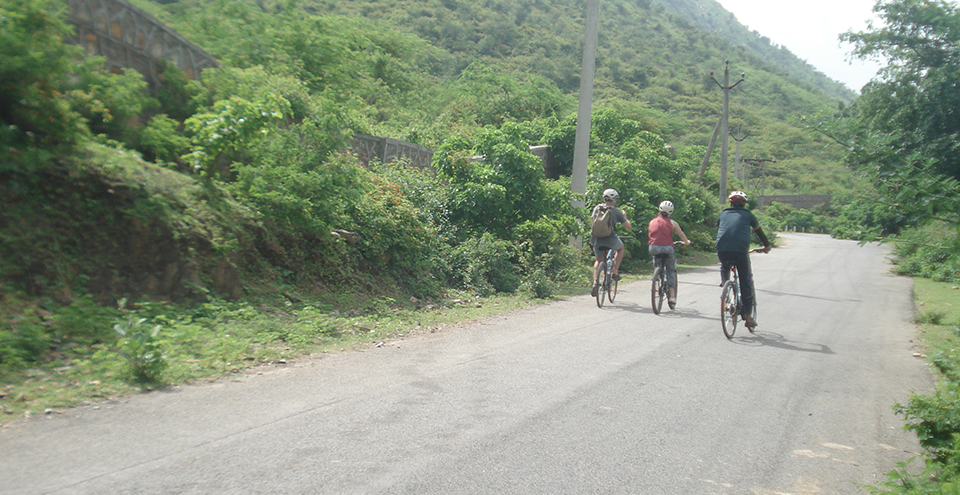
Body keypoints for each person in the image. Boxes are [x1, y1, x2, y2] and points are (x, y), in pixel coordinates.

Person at [715, 191, 771, 328]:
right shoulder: (748, 215)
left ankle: (725, 286)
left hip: (722, 250)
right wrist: (767, 245)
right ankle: (748, 316)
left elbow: (721, 228)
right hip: (740, 251)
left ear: (730, 202)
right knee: (745, 281)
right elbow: (759, 232)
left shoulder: (723, 213)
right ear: (744, 204)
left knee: (724, 265)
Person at [648, 200, 691, 308]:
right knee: (671, 270)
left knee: (657, 260)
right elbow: (681, 235)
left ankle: (656, 277)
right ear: (671, 212)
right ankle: (672, 297)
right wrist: (686, 242)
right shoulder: (673, 223)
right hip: (668, 248)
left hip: (653, 247)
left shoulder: (652, 221)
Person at [591, 188, 632, 297]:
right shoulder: (616, 211)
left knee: (598, 261)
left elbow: (591, 222)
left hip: (596, 239)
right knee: (621, 248)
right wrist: (624, 216)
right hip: (610, 239)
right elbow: (628, 227)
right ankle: (615, 272)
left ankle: (595, 282)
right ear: (614, 199)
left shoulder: (597, 208)